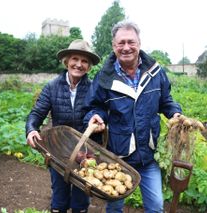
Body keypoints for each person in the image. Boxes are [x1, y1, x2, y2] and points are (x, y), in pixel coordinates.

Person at [83, 20, 182, 213]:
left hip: (148, 156)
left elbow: (166, 101)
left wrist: (175, 112)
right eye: (121, 43)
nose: (126, 47)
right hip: (117, 158)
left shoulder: (155, 72)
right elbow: (94, 106)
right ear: (114, 46)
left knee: (155, 206)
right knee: (114, 206)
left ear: (139, 43)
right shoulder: (105, 77)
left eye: (131, 42)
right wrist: (95, 117)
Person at [25, 39, 100, 213]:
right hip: (58, 150)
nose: (79, 65)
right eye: (75, 59)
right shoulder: (52, 87)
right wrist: (31, 129)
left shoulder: (93, 89)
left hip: (86, 152)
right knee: (59, 197)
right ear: (66, 61)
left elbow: (99, 113)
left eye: (84, 61)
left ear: (89, 66)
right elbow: (36, 114)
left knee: (82, 198)